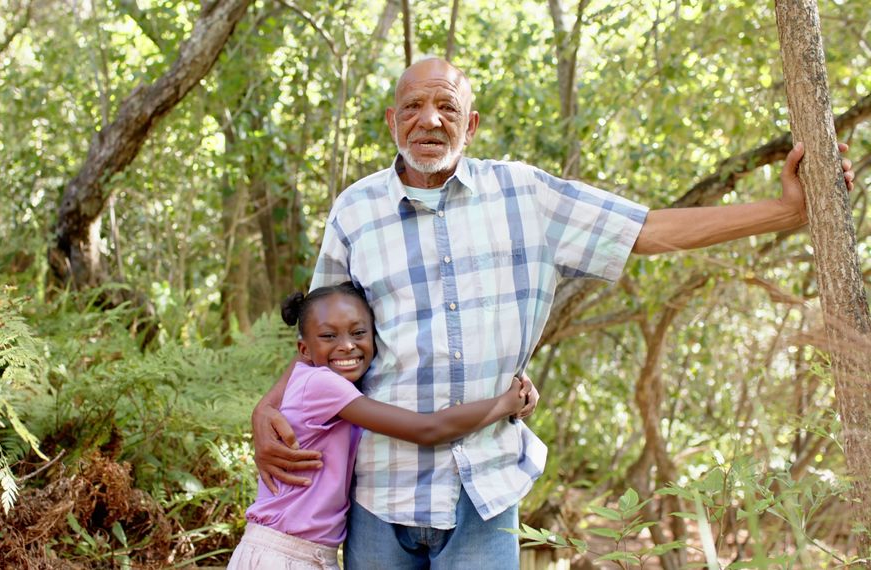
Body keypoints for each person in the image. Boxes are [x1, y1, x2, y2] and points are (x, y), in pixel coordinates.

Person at [251, 57, 857, 569]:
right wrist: (266, 409)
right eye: (413, 106)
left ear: (471, 125)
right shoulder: (355, 210)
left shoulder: (526, 195)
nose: (429, 120)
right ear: (391, 121)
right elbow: (319, 335)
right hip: (378, 488)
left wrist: (784, 213)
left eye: (447, 107)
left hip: (486, 486)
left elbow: (646, 230)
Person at [229, 282, 531, 570]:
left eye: (359, 332)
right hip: (283, 556)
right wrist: (506, 403)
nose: (347, 345)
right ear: (304, 350)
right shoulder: (322, 385)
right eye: (329, 336)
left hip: (305, 553)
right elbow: (427, 430)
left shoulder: (334, 387)